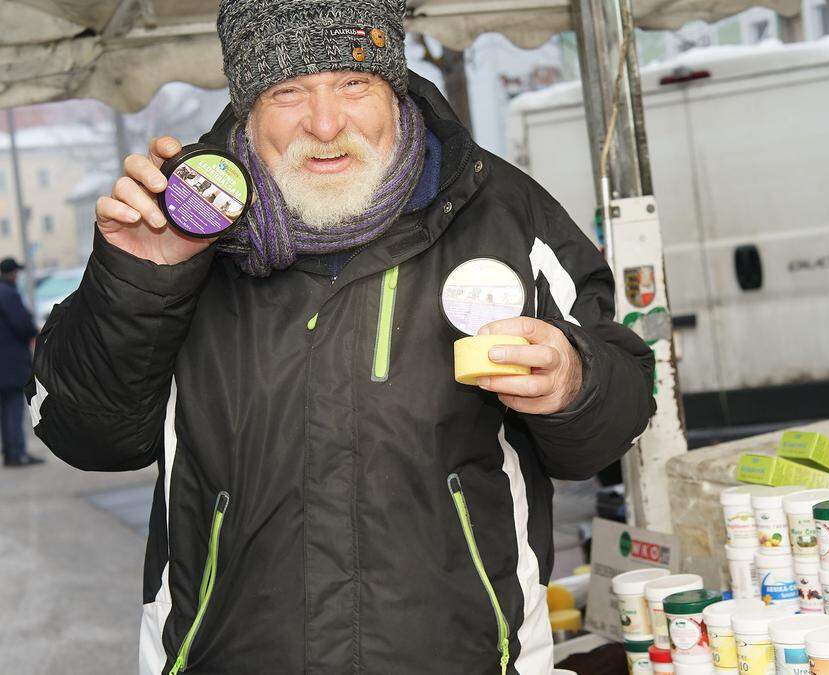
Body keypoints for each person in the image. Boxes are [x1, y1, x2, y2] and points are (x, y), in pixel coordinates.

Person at [29, 1, 655, 673]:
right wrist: (143, 279)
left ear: (392, 87)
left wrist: (574, 380)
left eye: (353, 83)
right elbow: (83, 434)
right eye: (287, 90)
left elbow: (615, 415)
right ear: (247, 105)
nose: (325, 125)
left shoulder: (499, 211)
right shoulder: (180, 222)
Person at [0, 257, 40, 467]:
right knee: (14, 410)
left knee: (5, 412)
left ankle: (9, 452)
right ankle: (17, 454)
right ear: (13, 273)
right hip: (11, 365)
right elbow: (23, 325)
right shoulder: (9, 294)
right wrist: (34, 331)